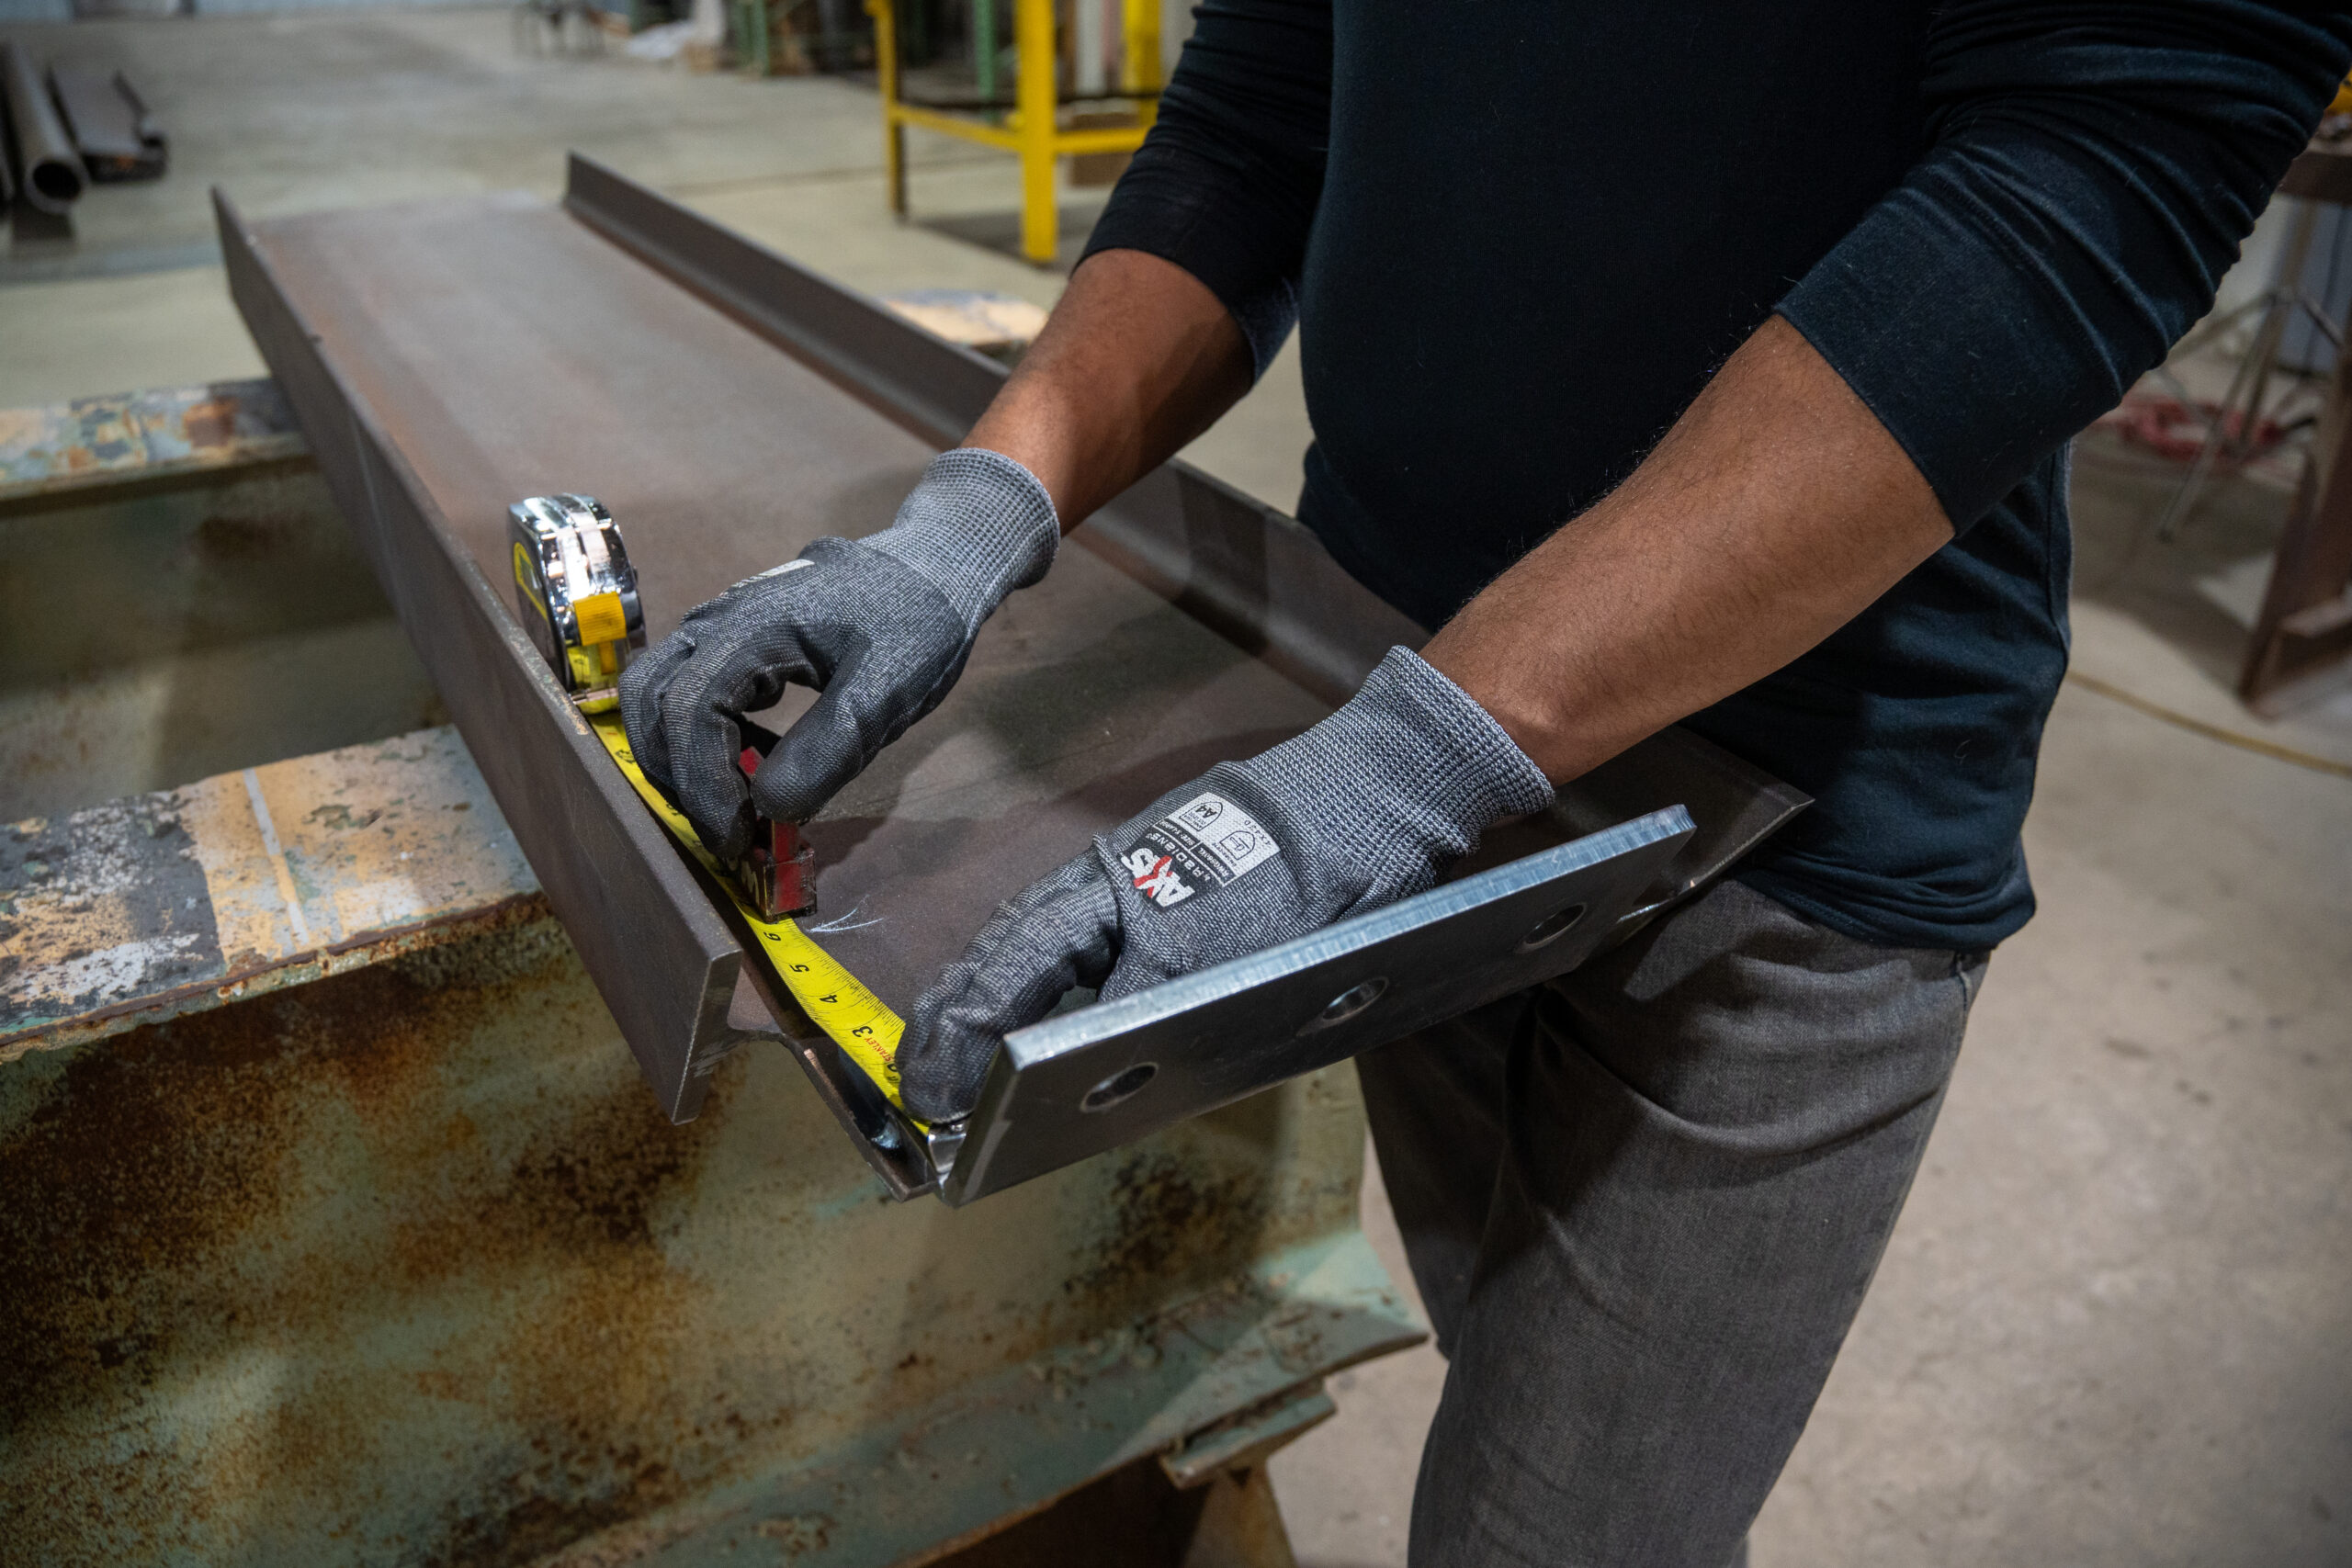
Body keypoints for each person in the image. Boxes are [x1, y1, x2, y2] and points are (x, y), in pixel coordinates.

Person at [620, 5, 2352, 1561]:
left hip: (1779, 829)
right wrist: (976, 518)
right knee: (1501, 1347)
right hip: (1377, 720)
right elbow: (1264, 113)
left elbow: (2089, 178)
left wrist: (1400, 767)